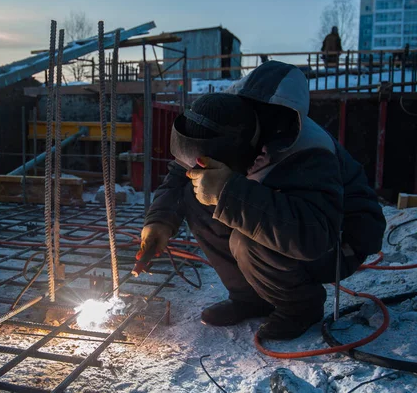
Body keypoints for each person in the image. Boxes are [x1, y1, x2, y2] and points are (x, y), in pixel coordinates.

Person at [136, 61, 386, 340]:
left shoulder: (308, 152)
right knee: (196, 196)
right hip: (297, 222)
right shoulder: (225, 119)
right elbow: (181, 173)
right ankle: (250, 299)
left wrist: (229, 194)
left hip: (340, 240)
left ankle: (300, 306)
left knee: (247, 238)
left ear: (241, 152)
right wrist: (159, 221)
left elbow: (314, 236)